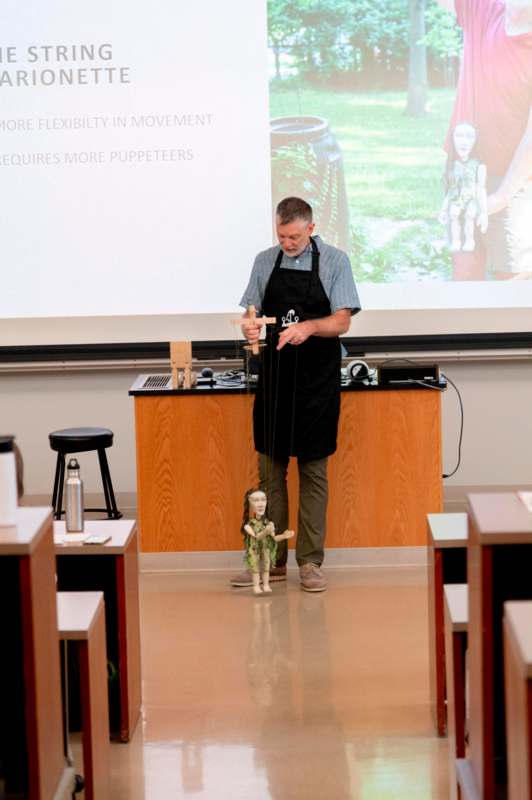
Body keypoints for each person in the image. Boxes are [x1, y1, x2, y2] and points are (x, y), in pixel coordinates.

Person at [231, 197, 361, 593]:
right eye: (281, 236)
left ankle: (309, 563)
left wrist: (307, 328)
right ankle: (270, 561)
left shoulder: (336, 261)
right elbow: (250, 316)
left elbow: (342, 322)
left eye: (293, 236)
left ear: (310, 227)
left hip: (317, 383)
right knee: (270, 474)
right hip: (274, 379)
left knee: (313, 474)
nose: (286, 243)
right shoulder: (264, 261)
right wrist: (249, 330)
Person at [438, 0, 532, 279]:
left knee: (513, 284)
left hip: (516, 183)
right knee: (465, 280)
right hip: (463, 174)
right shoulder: (483, 7)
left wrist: (502, 196)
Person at [439, 122, 488, 252]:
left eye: (469, 137)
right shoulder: (453, 165)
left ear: (476, 141)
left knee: (469, 216)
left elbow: (481, 188)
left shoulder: (479, 166)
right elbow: (450, 189)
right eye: (459, 136)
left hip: (472, 197)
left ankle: (469, 240)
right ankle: (456, 241)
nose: (463, 142)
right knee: (453, 215)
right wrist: (444, 209)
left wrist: (484, 212)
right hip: (456, 197)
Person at [241, 488, 294, 595]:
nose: (260, 504)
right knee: (255, 569)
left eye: (263, 499)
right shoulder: (248, 525)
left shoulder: (267, 523)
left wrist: (284, 536)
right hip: (254, 550)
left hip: (265, 549)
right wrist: (266, 531)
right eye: (256, 500)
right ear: (250, 503)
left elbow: (273, 538)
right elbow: (257, 537)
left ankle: (265, 585)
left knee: (266, 568)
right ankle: (256, 586)